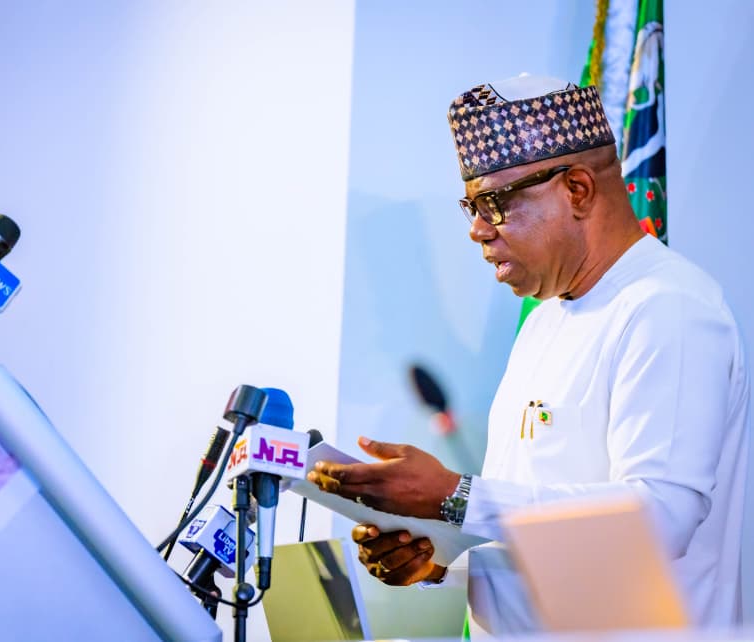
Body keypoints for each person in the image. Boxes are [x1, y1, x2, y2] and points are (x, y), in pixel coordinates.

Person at [307, 74, 749, 635]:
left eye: (493, 203)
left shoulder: (668, 308)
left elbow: (659, 522)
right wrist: (439, 560)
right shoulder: (544, 322)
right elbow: (543, 530)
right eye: (470, 206)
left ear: (578, 190)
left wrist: (454, 497)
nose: (476, 230)